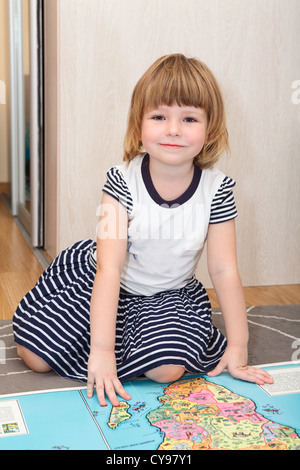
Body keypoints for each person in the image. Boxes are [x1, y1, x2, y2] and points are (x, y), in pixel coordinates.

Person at [13, 54, 273, 407]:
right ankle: (109, 342)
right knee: (36, 358)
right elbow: (109, 268)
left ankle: (133, 343)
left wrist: (238, 348)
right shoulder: (121, 181)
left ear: (210, 130)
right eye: (159, 116)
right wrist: (101, 350)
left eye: (189, 118)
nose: (173, 129)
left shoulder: (218, 190)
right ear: (138, 126)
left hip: (167, 295)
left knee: (166, 370)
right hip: (103, 281)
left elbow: (224, 270)